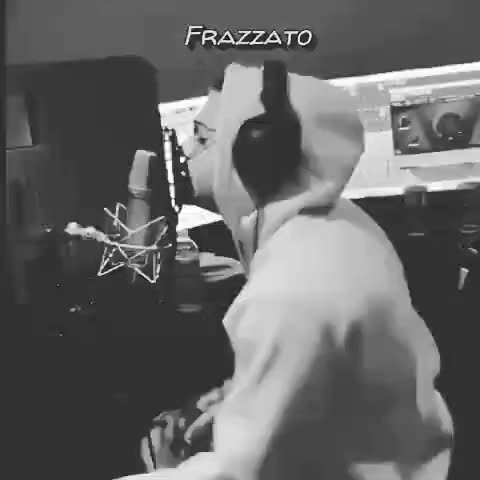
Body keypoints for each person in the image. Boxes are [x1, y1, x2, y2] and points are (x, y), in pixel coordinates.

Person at [116, 61, 453, 480]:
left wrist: (163, 469)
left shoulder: (288, 291)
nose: (185, 150)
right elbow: (323, 379)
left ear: (259, 157)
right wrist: (242, 400)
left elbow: (243, 474)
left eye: (202, 138)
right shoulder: (340, 225)